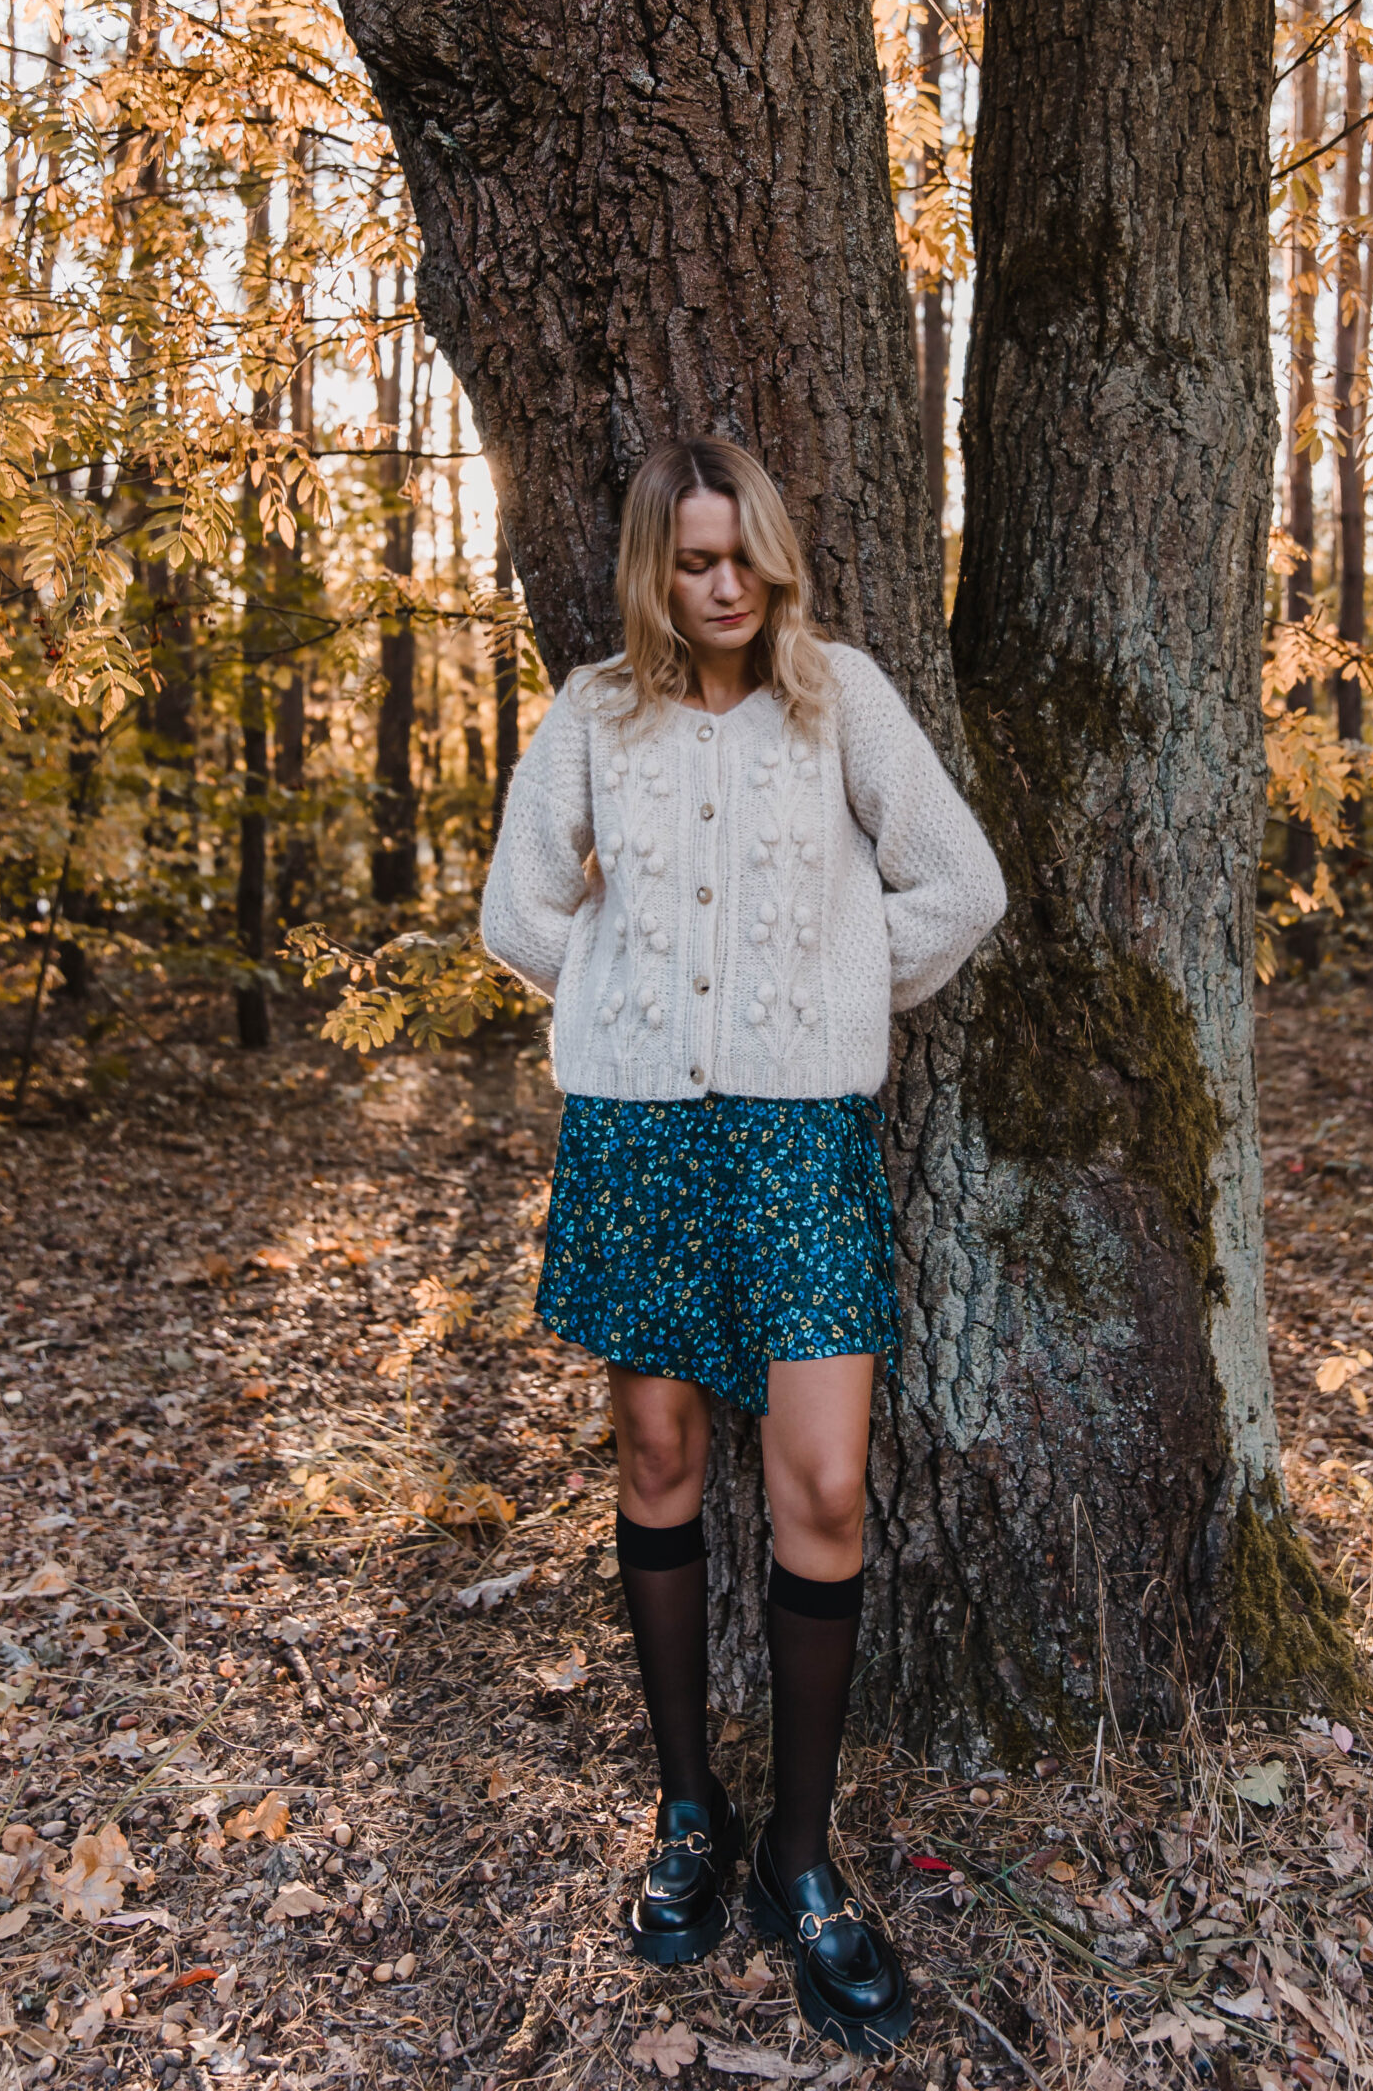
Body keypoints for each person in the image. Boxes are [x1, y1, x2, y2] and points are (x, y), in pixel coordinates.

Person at [481, 438, 1005, 2053]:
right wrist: (628, 999)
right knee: (657, 1461)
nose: (728, 586)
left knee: (824, 1486)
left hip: (798, 1141)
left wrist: (828, 990)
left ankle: (801, 1852)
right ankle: (688, 1814)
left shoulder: (841, 699)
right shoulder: (594, 715)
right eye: (698, 561)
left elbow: (959, 884)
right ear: (657, 569)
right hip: (638, 1133)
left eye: (747, 556)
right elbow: (518, 912)